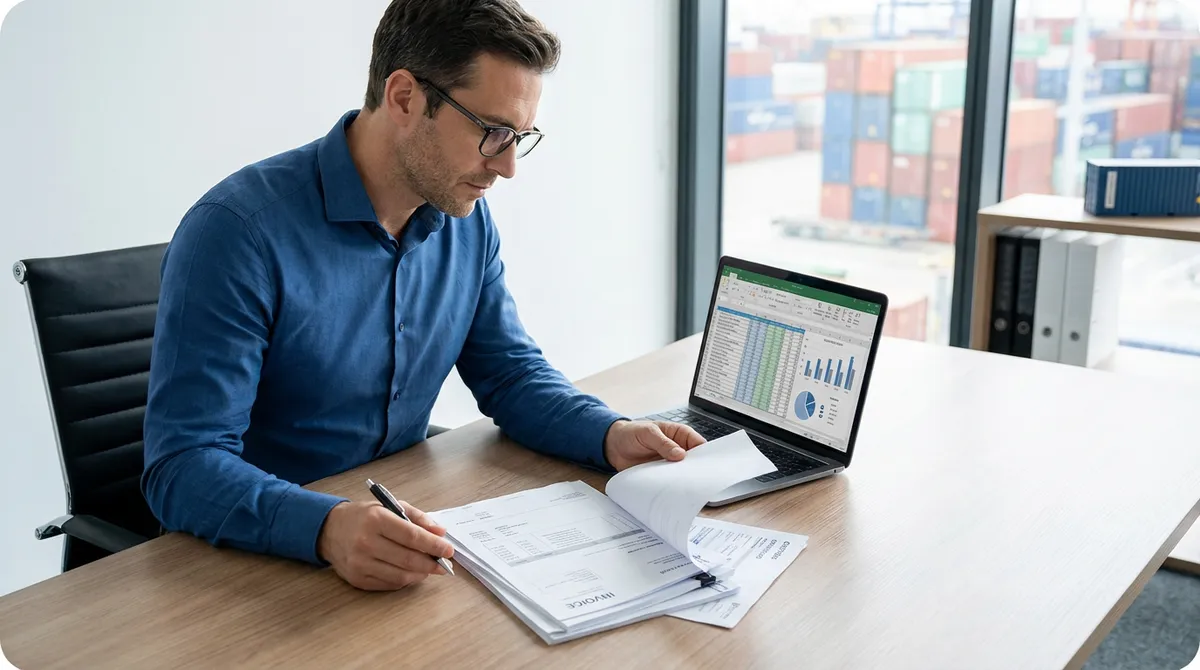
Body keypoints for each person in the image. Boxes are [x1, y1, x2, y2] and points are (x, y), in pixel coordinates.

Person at [141, 0, 705, 592]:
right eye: (492, 132)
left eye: (520, 136)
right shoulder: (237, 233)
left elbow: (510, 374)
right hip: (248, 570)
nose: (508, 166)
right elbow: (182, 466)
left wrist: (608, 434)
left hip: (396, 545)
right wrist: (325, 527)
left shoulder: (464, 220)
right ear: (405, 97)